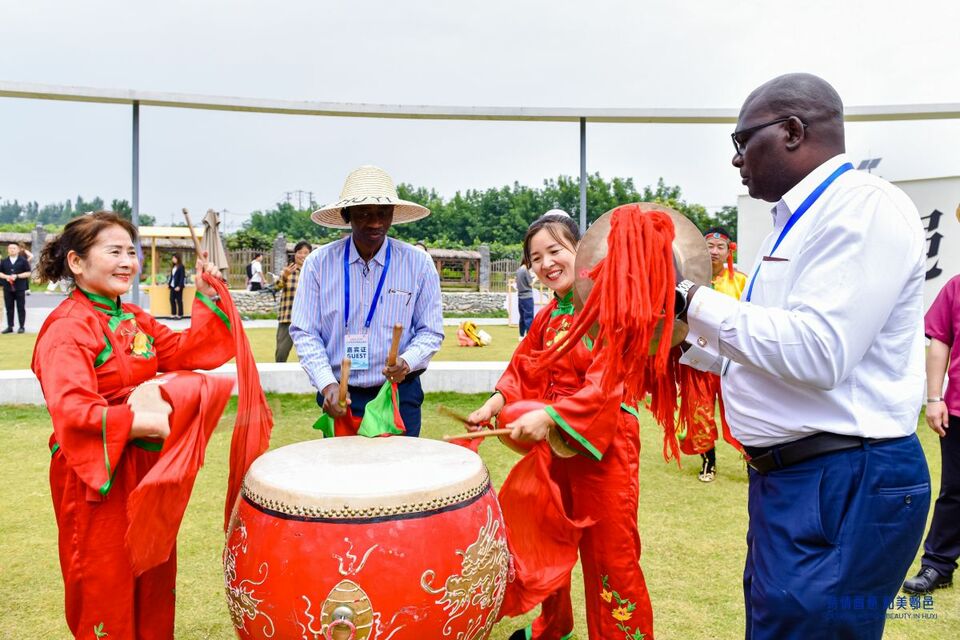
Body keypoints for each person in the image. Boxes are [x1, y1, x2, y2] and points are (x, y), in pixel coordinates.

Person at [674, 73, 930, 638]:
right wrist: (684, 348)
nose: (737, 161)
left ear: (792, 131)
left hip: (842, 475)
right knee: (780, 624)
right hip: (801, 478)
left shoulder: (863, 209)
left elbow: (818, 353)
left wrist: (689, 298)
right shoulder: (798, 222)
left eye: (743, 142)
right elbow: (772, 352)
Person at [31, 211, 235, 638]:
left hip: (144, 470)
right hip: (95, 476)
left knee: (151, 574)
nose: (127, 262)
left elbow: (186, 351)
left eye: (131, 252)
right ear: (76, 263)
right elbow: (72, 410)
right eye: (114, 251)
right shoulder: (68, 327)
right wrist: (138, 420)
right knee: (105, 582)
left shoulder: (133, 319)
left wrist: (208, 294)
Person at [468, 212, 652, 640]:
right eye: (536, 257)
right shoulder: (549, 316)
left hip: (604, 450)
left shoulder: (606, 310)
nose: (546, 263)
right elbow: (523, 367)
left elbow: (605, 384)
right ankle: (555, 627)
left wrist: (551, 415)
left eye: (555, 251)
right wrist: (493, 402)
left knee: (612, 556)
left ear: (580, 251)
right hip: (555, 448)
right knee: (549, 538)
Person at [290, 165, 444, 437]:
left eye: (382, 213)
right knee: (344, 477)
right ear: (346, 214)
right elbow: (305, 333)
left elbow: (430, 332)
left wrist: (406, 362)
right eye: (364, 212)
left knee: (401, 477)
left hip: (398, 394)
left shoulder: (418, 264)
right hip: (340, 397)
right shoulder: (318, 264)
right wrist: (327, 385)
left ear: (393, 214)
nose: (375, 222)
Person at [903, 273, 960, 594]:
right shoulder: (956, 286)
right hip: (958, 407)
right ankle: (938, 565)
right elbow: (940, 342)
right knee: (955, 490)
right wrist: (935, 398)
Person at [689, 226, 747, 482]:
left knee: (739, 409)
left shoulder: (741, 281)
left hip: (732, 359)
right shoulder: (689, 279)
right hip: (698, 356)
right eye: (709, 246)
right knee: (699, 411)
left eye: (719, 247)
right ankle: (708, 461)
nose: (713, 251)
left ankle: (751, 460)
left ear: (729, 251)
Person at [275, 240, 312, 362]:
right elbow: (276, 288)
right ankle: (279, 378)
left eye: (306, 253)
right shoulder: (287, 271)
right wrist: (284, 276)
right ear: (295, 254)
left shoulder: (313, 271)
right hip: (288, 317)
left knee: (310, 352)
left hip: (307, 319)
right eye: (300, 252)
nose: (302, 255)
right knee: (281, 352)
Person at [2, 242, 31, 333]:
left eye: (14, 248)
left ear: (18, 250)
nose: (12, 250)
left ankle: (21, 326)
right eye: (10, 248)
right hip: (7, 287)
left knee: (20, 307)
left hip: (20, 287)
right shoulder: (4, 261)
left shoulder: (23, 261)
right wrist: (7, 277)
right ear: (8, 250)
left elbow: (28, 273)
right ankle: (10, 326)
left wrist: (17, 276)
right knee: (9, 307)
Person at [516, 263, 534, 340]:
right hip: (527, 297)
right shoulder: (525, 270)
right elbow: (531, 283)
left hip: (520, 297)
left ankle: (521, 335)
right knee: (529, 317)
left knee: (522, 317)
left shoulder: (519, 270)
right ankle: (529, 336)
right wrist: (537, 278)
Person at [167, 253, 185, 319]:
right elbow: (172, 277)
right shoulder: (174, 267)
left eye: (174, 258)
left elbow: (182, 277)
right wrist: (169, 284)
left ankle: (180, 314)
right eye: (172, 258)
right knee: (171, 299)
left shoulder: (181, 266)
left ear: (177, 258)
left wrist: (179, 286)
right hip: (172, 286)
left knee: (179, 300)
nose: (172, 259)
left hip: (178, 286)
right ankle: (173, 313)